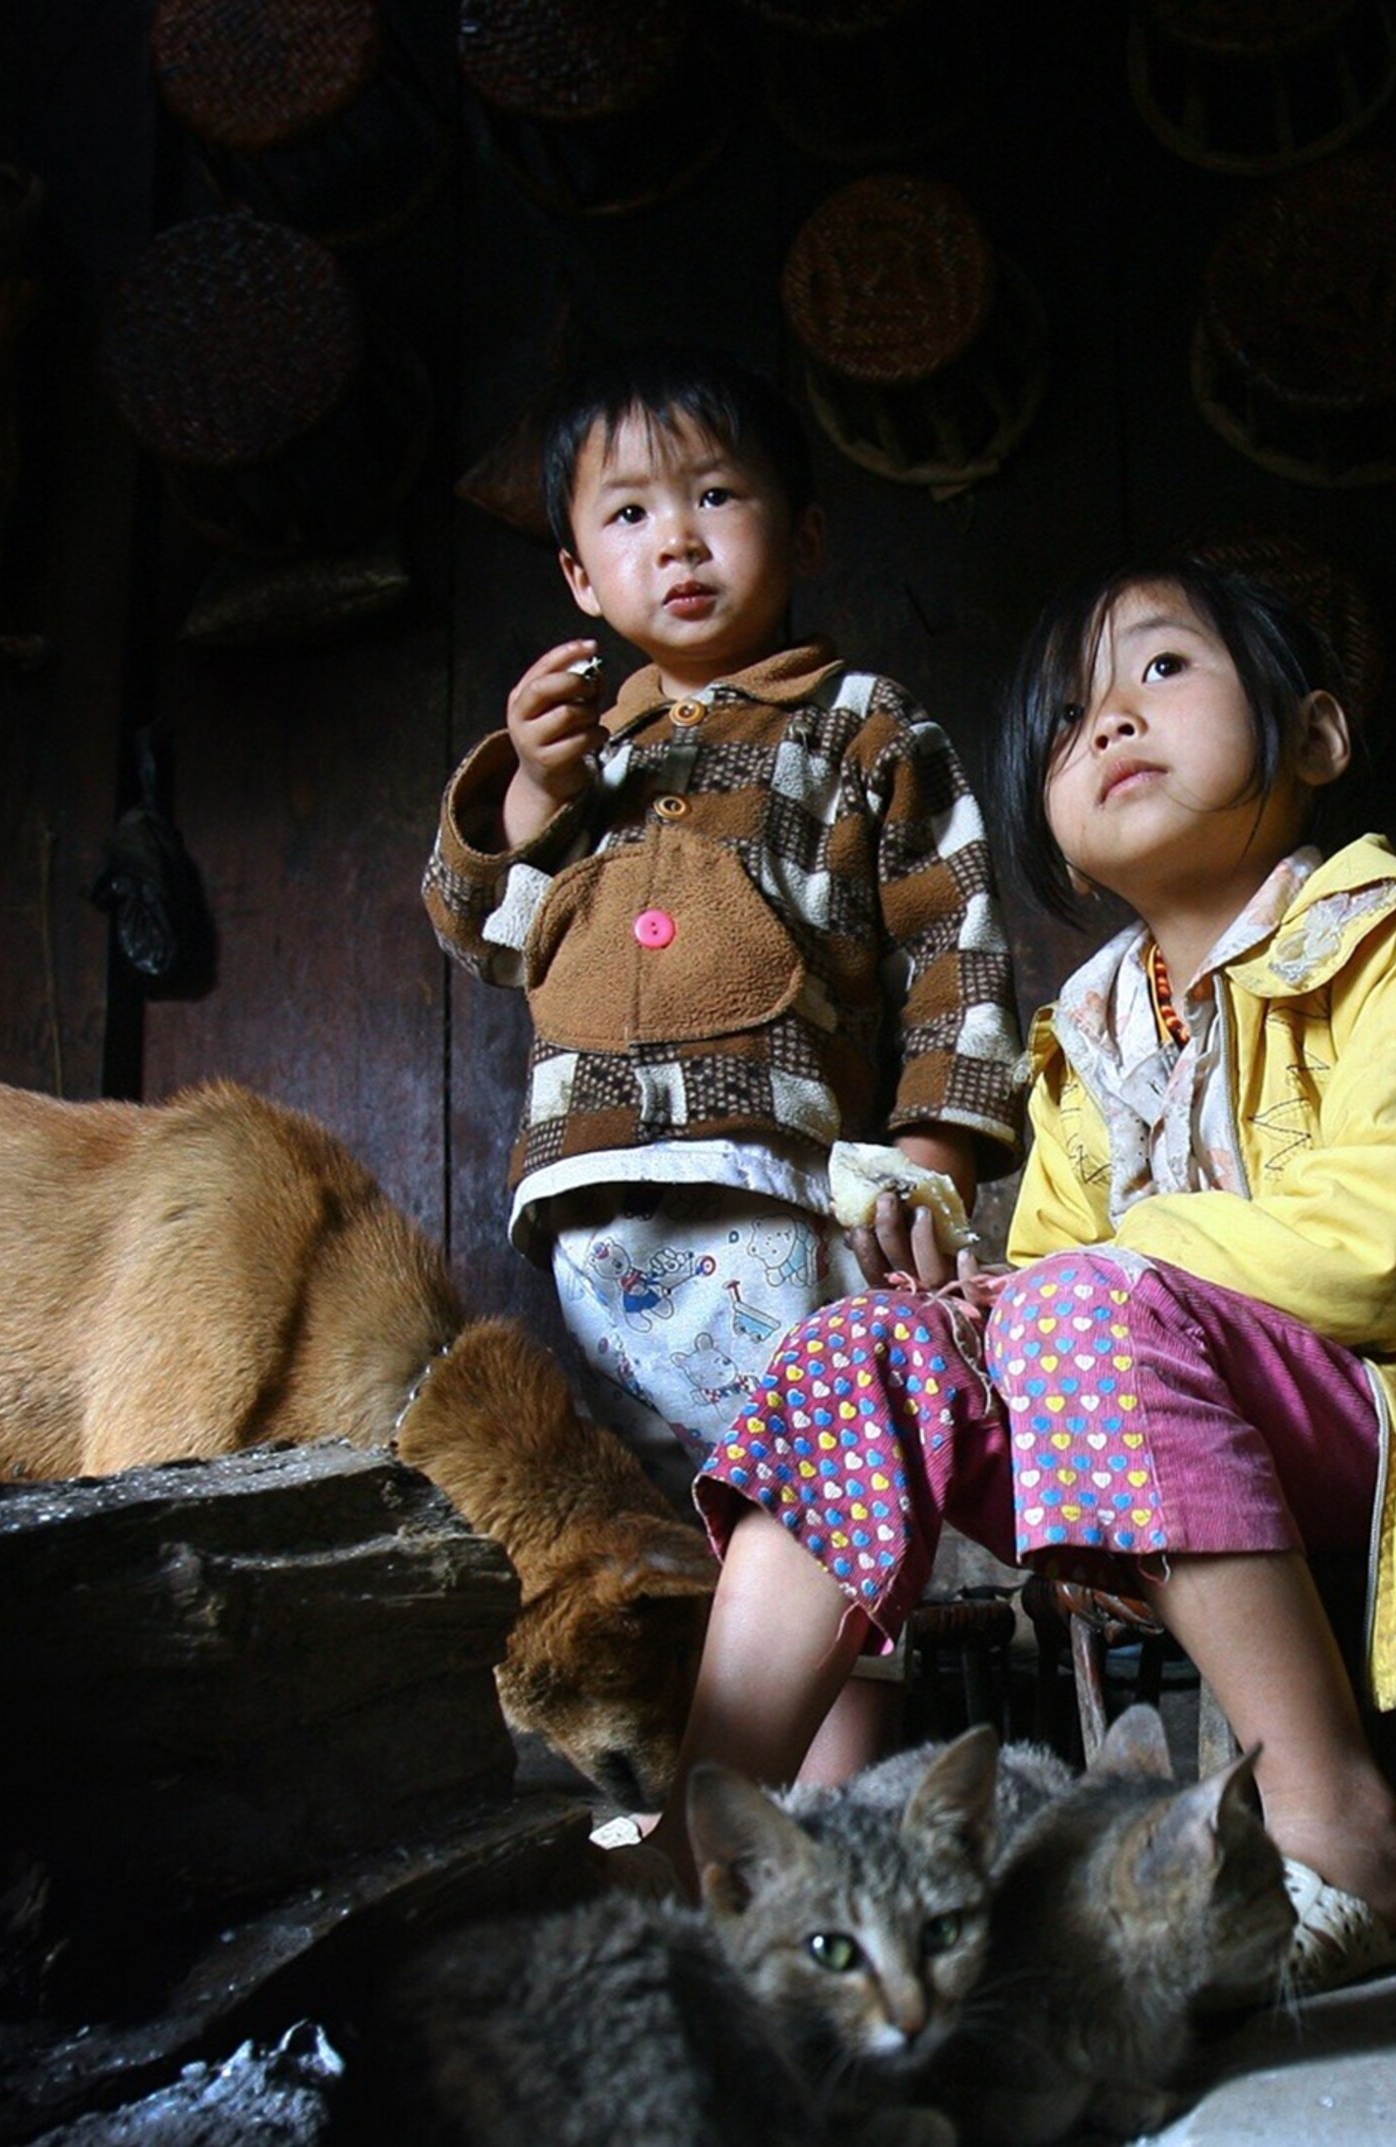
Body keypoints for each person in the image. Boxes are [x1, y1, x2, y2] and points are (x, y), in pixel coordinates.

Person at [668, 552, 1396, 1990]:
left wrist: (1081, 1284)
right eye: (1073, 722)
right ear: (1066, 849)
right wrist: (963, 1307)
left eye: (1163, 670)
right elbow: (1056, 1289)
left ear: (1313, 737)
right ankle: (708, 1858)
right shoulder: (1083, 1038)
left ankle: (1337, 1829)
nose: (1114, 722)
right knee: (858, 1349)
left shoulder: (1391, 936)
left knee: (1080, 1306)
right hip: (1146, 1436)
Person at [424, 347, 1025, 1771]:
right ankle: (753, 1824)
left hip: (771, 1191)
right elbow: (483, 935)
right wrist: (523, 787)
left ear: (803, 534)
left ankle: (829, 1803)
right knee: (702, 1519)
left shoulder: (860, 724)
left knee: (818, 1497)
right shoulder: (577, 756)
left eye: (715, 497)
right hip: (589, 1208)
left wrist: (931, 1160)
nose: (676, 539)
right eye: (627, 517)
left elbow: (960, 955)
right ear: (578, 578)